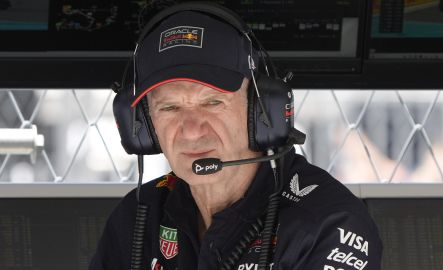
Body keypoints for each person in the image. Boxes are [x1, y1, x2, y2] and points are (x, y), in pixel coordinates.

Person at [90, 3, 383, 270]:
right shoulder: (138, 217)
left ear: (261, 109)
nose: (191, 129)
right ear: (143, 123)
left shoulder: (328, 225)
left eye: (213, 102)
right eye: (170, 107)